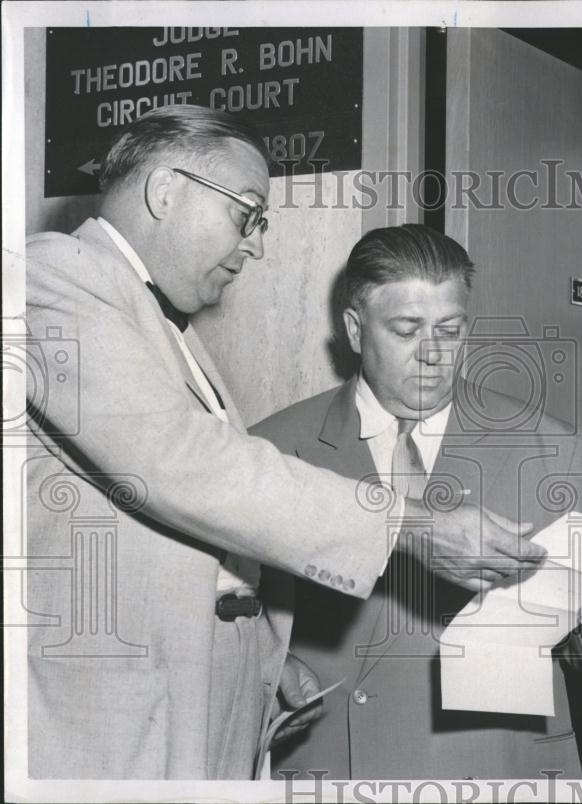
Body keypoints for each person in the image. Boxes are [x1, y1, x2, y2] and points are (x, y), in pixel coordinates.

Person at [23, 105, 545, 780]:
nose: (256, 245)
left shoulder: (159, 322)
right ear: (165, 191)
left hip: (189, 712)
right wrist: (409, 524)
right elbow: (185, 467)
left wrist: (265, 666)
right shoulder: (53, 276)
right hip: (112, 728)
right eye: (247, 213)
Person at [251, 223, 582, 778]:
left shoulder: (554, 448)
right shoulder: (272, 449)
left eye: (450, 329)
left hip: (496, 767)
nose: (434, 355)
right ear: (353, 329)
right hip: (333, 769)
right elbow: (234, 630)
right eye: (406, 329)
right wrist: (267, 675)